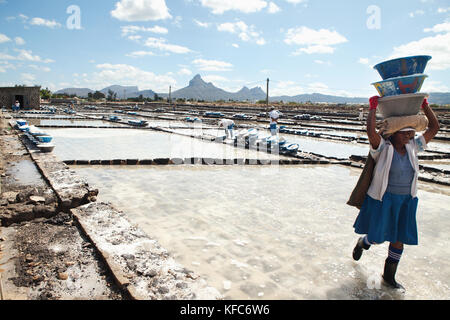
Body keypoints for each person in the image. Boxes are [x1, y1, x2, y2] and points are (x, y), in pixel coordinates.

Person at [352, 96, 440, 290]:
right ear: (393, 134)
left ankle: (389, 276)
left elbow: (434, 128)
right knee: (377, 237)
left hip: (406, 201)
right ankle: (363, 242)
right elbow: (370, 132)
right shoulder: (383, 148)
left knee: (399, 239)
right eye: (405, 133)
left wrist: (425, 105)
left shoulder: (412, 148)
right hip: (385, 200)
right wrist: (372, 108)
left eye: (411, 132)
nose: (410, 135)